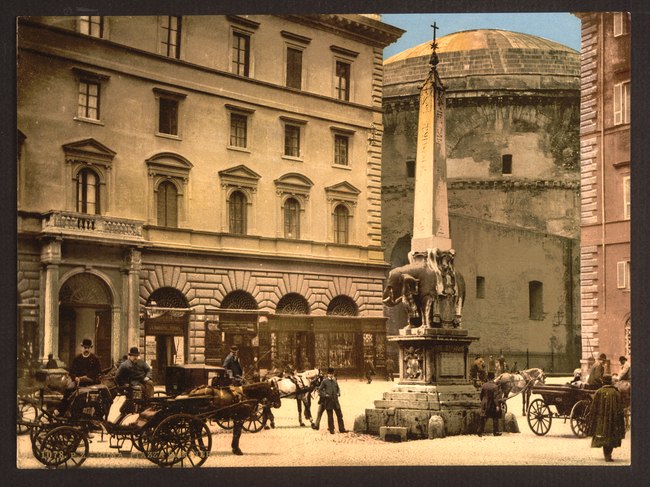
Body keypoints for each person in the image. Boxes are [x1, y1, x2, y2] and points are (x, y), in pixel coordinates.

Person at [587, 374, 626, 461]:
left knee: (603, 435)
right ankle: (608, 455)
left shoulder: (598, 392)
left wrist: (593, 419)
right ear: (611, 381)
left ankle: (606, 455)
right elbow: (620, 408)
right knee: (611, 436)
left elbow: (593, 408)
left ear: (603, 382)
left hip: (601, 420)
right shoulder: (616, 393)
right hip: (613, 420)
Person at [59, 338, 103, 414]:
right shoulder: (77, 358)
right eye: (85, 348)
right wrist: (75, 377)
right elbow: (71, 371)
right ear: (82, 347)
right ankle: (62, 410)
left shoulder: (95, 359)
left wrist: (87, 377)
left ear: (91, 348)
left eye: (88, 348)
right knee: (69, 389)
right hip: (78, 382)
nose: (86, 350)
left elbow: (98, 371)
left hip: (91, 383)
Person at [311, 367, 346, 434]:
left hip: (335, 401)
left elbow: (338, 388)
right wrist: (325, 395)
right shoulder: (324, 381)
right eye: (330, 374)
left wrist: (338, 393)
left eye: (332, 373)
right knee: (330, 416)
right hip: (328, 401)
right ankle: (331, 430)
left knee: (339, 415)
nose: (331, 375)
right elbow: (319, 390)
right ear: (327, 374)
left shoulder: (335, 380)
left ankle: (342, 429)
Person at [477, 371, 502, 437]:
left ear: (488, 378)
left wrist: (483, 402)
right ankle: (495, 432)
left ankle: (479, 432)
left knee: (483, 417)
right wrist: (497, 405)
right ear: (493, 378)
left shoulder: (484, 385)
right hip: (492, 405)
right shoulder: (495, 387)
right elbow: (495, 397)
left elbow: (481, 395)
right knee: (495, 417)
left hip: (484, 404)